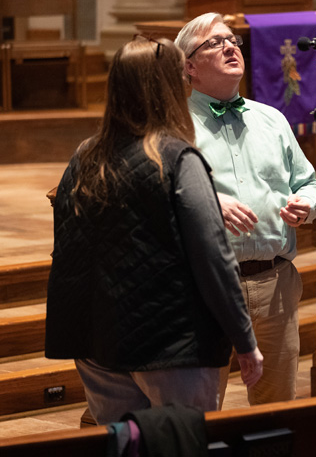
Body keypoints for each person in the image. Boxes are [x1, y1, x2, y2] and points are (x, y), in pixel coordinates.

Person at [45, 35, 263, 425]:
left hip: (99, 344)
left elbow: (67, 248)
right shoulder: (177, 158)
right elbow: (214, 258)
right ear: (169, 88)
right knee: (179, 448)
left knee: (125, 448)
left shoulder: (85, 155)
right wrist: (244, 340)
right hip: (172, 345)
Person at [174, 13, 316, 405]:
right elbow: (155, 197)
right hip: (208, 286)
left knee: (275, 411)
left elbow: (308, 180)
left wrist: (308, 203)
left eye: (232, 39)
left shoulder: (271, 119)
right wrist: (209, 202)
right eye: (214, 42)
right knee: (201, 408)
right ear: (189, 66)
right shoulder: (174, 126)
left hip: (277, 285)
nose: (230, 46)